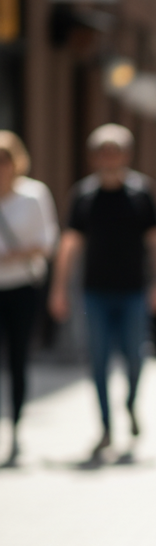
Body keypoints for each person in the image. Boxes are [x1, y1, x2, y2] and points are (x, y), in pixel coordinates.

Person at [49, 125, 156, 456]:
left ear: (126, 155)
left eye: (114, 151)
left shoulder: (142, 193)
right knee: (98, 361)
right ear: (94, 157)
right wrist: (58, 288)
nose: (109, 158)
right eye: (103, 152)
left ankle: (130, 403)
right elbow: (70, 244)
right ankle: (104, 428)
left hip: (134, 291)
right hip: (95, 293)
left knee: (135, 357)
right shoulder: (84, 196)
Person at [0, 132, 59, 465]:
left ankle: (16, 429)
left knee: (18, 358)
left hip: (22, 287)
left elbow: (47, 242)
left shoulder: (33, 196)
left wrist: (16, 254)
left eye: (4, 159)